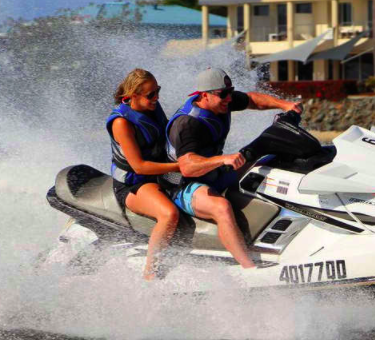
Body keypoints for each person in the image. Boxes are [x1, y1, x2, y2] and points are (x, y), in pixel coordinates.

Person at [165, 68, 302, 268]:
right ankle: (249, 268)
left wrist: (285, 105)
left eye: (231, 92)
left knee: (267, 158)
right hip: (182, 186)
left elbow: (252, 100)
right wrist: (222, 159)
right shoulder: (188, 124)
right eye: (223, 95)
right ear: (204, 95)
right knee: (222, 208)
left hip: (213, 174)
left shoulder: (221, 101)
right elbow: (187, 167)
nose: (229, 99)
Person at [108, 68, 180, 280]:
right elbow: (139, 166)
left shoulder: (152, 108)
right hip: (134, 183)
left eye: (158, 91)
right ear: (132, 96)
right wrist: (178, 168)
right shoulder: (121, 122)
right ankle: (151, 274)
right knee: (169, 214)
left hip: (159, 175)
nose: (156, 97)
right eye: (151, 94)